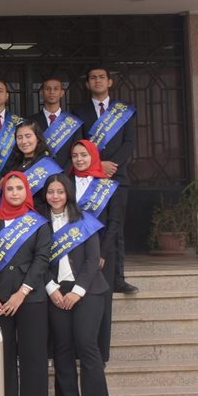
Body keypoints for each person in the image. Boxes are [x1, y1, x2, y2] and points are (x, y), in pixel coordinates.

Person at [0, 172, 52, 396]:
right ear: (3, 192)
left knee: (33, 351)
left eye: (19, 188)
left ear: (27, 191)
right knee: (4, 352)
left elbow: (41, 260)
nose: (15, 193)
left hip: (31, 297)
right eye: (10, 189)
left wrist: (22, 292)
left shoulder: (38, 223)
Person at [39, 173, 110, 396]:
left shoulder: (85, 220)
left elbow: (92, 261)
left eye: (60, 191)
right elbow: (38, 261)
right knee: (63, 349)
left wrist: (77, 291)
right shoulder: (39, 223)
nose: (55, 196)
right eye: (51, 192)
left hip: (88, 290)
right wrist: (52, 289)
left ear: (68, 193)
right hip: (56, 291)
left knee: (87, 345)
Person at [72, 67, 139, 295]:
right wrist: (99, 166)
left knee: (115, 228)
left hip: (116, 177)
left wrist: (112, 165)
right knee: (87, 225)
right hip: (88, 178)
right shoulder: (79, 111)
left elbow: (129, 142)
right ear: (87, 84)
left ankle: (118, 278)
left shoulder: (123, 111)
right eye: (93, 78)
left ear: (110, 82)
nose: (98, 81)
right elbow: (78, 144)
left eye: (102, 77)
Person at [70, 140, 125, 362]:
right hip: (71, 251)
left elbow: (115, 223)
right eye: (75, 155)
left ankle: (100, 354)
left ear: (93, 156)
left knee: (101, 302)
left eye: (84, 155)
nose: (79, 159)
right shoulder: (65, 183)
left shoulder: (108, 186)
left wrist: (101, 253)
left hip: (102, 253)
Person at [0, 119, 61, 191]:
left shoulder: (47, 164)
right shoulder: (13, 162)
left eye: (28, 136)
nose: (23, 141)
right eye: (19, 137)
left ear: (38, 138)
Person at [28, 76, 84, 157]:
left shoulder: (73, 121)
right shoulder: (31, 121)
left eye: (56, 89)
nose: (52, 92)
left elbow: (77, 149)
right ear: (41, 92)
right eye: (47, 89)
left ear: (62, 93)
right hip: (40, 165)